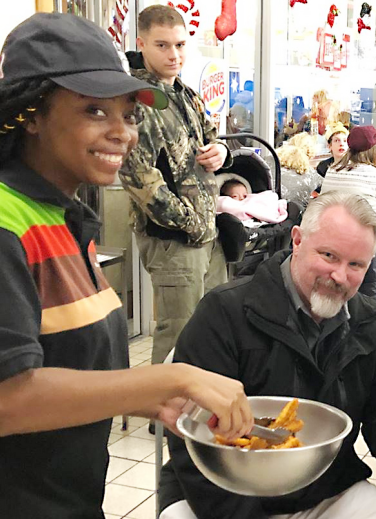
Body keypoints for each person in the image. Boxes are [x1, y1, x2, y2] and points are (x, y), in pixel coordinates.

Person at [0, 14, 253, 519]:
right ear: (30, 115)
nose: (122, 131)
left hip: (64, 511)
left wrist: (148, 400)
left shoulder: (63, 216)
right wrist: (171, 376)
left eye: (127, 113)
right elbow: (5, 401)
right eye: (93, 109)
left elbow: (64, 360)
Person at [159, 193, 376, 519]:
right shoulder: (225, 312)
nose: (340, 276)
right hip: (219, 496)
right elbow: (190, 444)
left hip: (322, 491)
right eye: (328, 256)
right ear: (296, 240)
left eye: (356, 264)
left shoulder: (369, 318)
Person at [120, 4, 232, 366]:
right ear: (142, 44)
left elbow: (214, 138)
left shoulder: (183, 93)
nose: (174, 54)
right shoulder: (138, 100)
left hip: (206, 233)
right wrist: (190, 221)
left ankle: (197, 416)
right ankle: (165, 423)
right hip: (173, 239)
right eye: (163, 45)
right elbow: (138, 177)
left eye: (180, 45)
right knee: (176, 336)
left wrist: (220, 151)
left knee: (213, 328)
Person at [320, 125, 376, 231]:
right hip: (364, 241)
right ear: (374, 150)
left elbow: (321, 207)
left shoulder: (331, 171)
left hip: (332, 237)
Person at [276, 133, 323, 210]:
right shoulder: (310, 174)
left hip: (268, 210)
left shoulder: (273, 161)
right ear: (310, 153)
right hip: (296, 216)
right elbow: (327, 189)